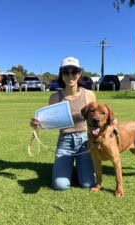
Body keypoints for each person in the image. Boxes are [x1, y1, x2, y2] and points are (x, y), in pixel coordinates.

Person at [30, 56, 96, 190]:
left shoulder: (89, 95)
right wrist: (37, 124)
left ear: (79, 73)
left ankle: (81, 171)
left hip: (85, 141)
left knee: (88, 184)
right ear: (61, 74)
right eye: (66, 72)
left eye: (74, 72)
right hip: (65, 142)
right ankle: (70, 170)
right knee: (60, 185)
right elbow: (48, 122)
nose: (70, 76)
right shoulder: (55, 97)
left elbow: (97, 117)